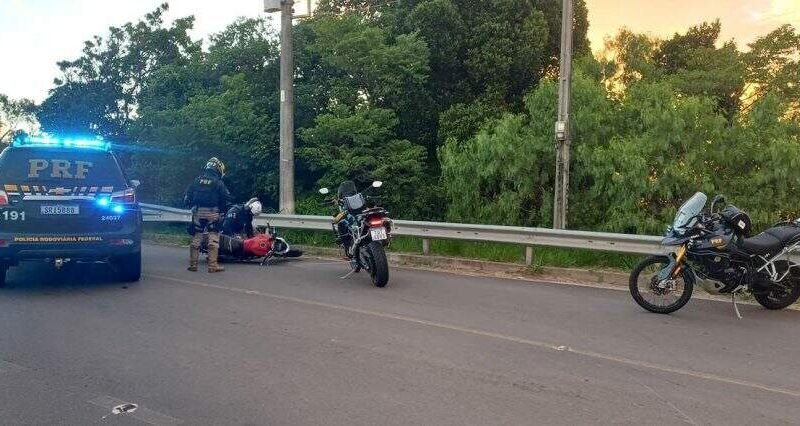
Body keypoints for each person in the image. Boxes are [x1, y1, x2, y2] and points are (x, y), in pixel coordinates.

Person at [184, 157, 232, 273]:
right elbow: (225, 198)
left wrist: (193, 206)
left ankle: (193, 265)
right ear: (218, 168)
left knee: (197, 237)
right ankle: (212, 266)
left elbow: (187, 196)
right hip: (213, 213)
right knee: (213, 238)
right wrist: (222, 211)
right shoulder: (218, 182)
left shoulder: (197, 180)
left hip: (198, 212)